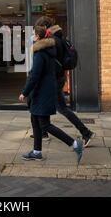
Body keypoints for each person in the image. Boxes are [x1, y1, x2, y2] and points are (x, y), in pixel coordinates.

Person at [19, 26, 83, 163]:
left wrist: (24, 92)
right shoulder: (47, 50)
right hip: (43, 91)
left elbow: (35, 76)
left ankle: (74, 144)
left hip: (42, 93)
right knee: (35, 121)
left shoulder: (40, 53)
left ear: (38, 36)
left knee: (45, 124)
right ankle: (36, 152)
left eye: (33, 35)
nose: (31, 37)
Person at [33, 16, 95, 147]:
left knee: (62, 108)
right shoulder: (59, 37)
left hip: (54, 79)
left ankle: (86, 133)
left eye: (39, 28)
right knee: (46, 104)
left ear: (44, 27)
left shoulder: (54, 40)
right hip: (58, 77)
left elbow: (52, 62)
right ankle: (43, 131)